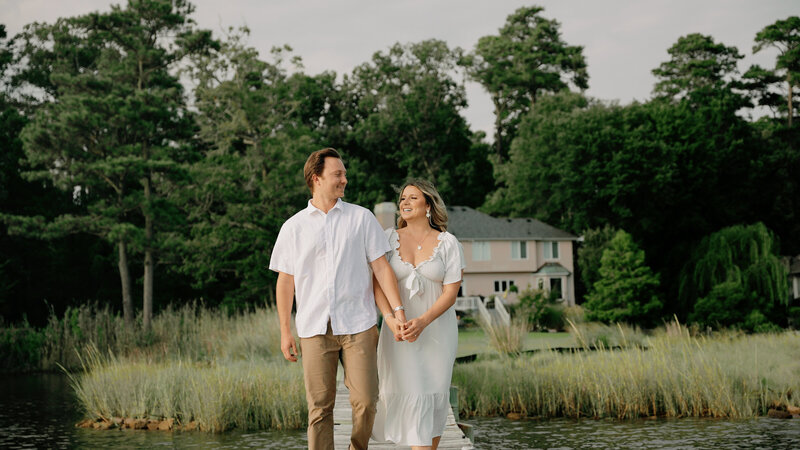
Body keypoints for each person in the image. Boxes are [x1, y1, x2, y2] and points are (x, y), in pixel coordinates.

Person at [269, 148, 407, 450]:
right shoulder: (293, 227)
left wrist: (397, 310)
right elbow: (285, 282)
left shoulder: (361, 218)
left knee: (367, 401)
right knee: (319, 409)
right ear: (316, 178)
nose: (345, 179)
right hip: (314, 329)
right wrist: (284, 331)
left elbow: (381, 269)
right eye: (338, 174)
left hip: (359, 325)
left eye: (344, 174)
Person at [371, 179, 465, 450]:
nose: (405, 203)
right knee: (408, 390)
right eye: (402, 199)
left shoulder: (448, 243)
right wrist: (389, 319)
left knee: (432, 393)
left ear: (428, 205)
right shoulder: (388, 238)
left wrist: (423, 322)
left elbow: (450, 293)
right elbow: (377, 284)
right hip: (398, 334)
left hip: (436, 332)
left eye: (413, 198)